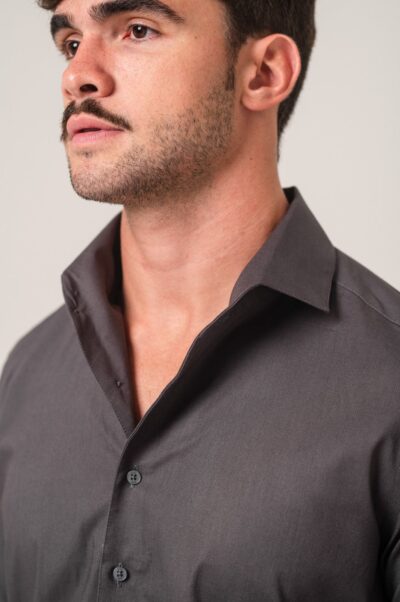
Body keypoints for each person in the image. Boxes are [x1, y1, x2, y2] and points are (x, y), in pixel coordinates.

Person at [1, 0, 399, 600]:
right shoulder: (27, 375)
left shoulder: (389, 381)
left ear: (263, 73)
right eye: (71, 42)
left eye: (137, 30)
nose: (78, 74)